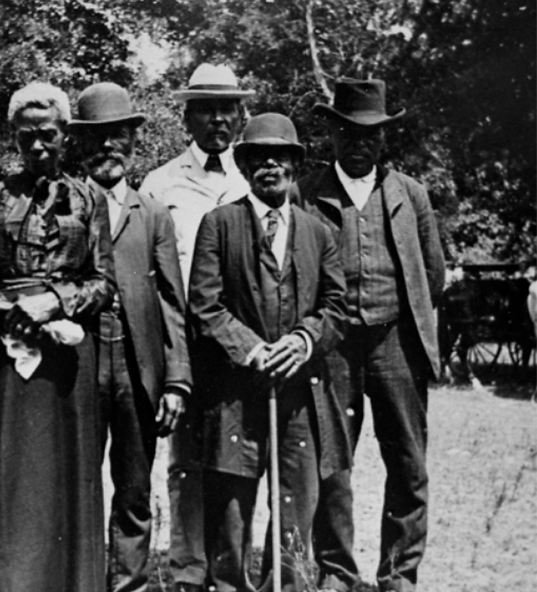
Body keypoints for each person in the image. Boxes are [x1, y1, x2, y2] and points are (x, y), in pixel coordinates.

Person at [0, 81, 116, 592]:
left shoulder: (90, 200)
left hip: (64, 370)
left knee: (59, 486)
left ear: (66, 136)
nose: (39, 147)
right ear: (13, 137)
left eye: (49, 135)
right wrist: (7, 310)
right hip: (1, 364)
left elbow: (104, 282)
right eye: (27, 137)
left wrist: (55, 302)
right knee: (3, 484)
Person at [189, 113, 349, 592]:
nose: (269, 166)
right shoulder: (219, 225)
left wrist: (302, 341)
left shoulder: (318, 232)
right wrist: (253, 349)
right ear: (243, 165)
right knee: (230, 518)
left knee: (295, 511)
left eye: (280, 157)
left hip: (299, 397)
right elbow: (205, 304)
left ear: (296, 166)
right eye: (258, 157)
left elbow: (336, 306)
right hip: (235, 396)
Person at [298, 79, 445, 592]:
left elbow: (433, 274)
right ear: (332, 134)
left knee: (407, 461)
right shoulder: (307, 191)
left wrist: (405, 323)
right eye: (348, 131)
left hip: (395, 344)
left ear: (384, 139)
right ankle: (337, 569)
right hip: (333, 348)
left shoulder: (410, 195)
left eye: (371, 134)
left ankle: (399, 572)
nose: (359, 142)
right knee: (331, 463)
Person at [69, 82, 192, 592]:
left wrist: (177, 380)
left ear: (133, 142)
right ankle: (77, 580)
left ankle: (129, 583)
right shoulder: (64, 206)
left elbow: (171, 301)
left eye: (117, 136)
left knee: (134, 487)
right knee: (76, 483)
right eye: (96, 138)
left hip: (139, 367)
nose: (107, 148)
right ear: (80, 145)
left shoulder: (153, 212)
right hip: (77, 365)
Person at [138, 62, 253, 592]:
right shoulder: (160, 184)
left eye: (226, 108)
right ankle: (187, 570)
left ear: (240, 114)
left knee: (234, 457)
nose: (217, 120)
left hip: (239, 343)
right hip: (182, 341)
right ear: (187, 116)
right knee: (184, 458)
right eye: (205, 109)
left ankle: (231, 566)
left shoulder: (254, 177)